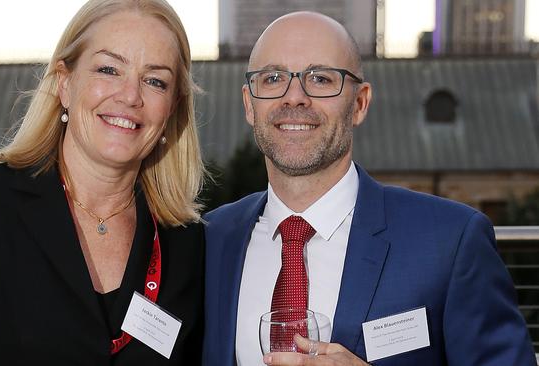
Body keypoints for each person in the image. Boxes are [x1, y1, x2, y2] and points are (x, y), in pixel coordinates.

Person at [203, 11, 535, 366]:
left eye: (319, 78)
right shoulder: (212, 239)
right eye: (272, 78)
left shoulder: (450, 242)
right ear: (249, 105)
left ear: (360, 103)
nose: (294, 97)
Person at [0, 0, 205, 364]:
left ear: (172, 109)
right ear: (65, 83)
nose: (131, 96)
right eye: (109, 69)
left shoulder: (185, 244)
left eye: (155, 81)